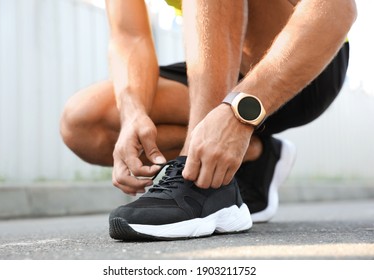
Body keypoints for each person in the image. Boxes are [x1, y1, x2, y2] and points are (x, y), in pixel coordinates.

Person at [60, 0, 356, 241]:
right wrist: (132, 112)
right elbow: (130, 36)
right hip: (221, 69)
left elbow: (338, 8)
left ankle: (199, 183)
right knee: (84, 123)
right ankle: (255, 160)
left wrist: (238, 113)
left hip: (303, 64)